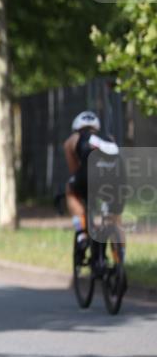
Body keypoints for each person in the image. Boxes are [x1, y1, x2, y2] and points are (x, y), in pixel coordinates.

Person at [64, 110, 121, 261]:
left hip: (89, 177)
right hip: (115, 178)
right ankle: (119, 257)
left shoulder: (73, 139)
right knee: (114, 219)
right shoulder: (109, 138)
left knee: (70, 189)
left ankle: (82, 232)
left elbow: (74, 171)